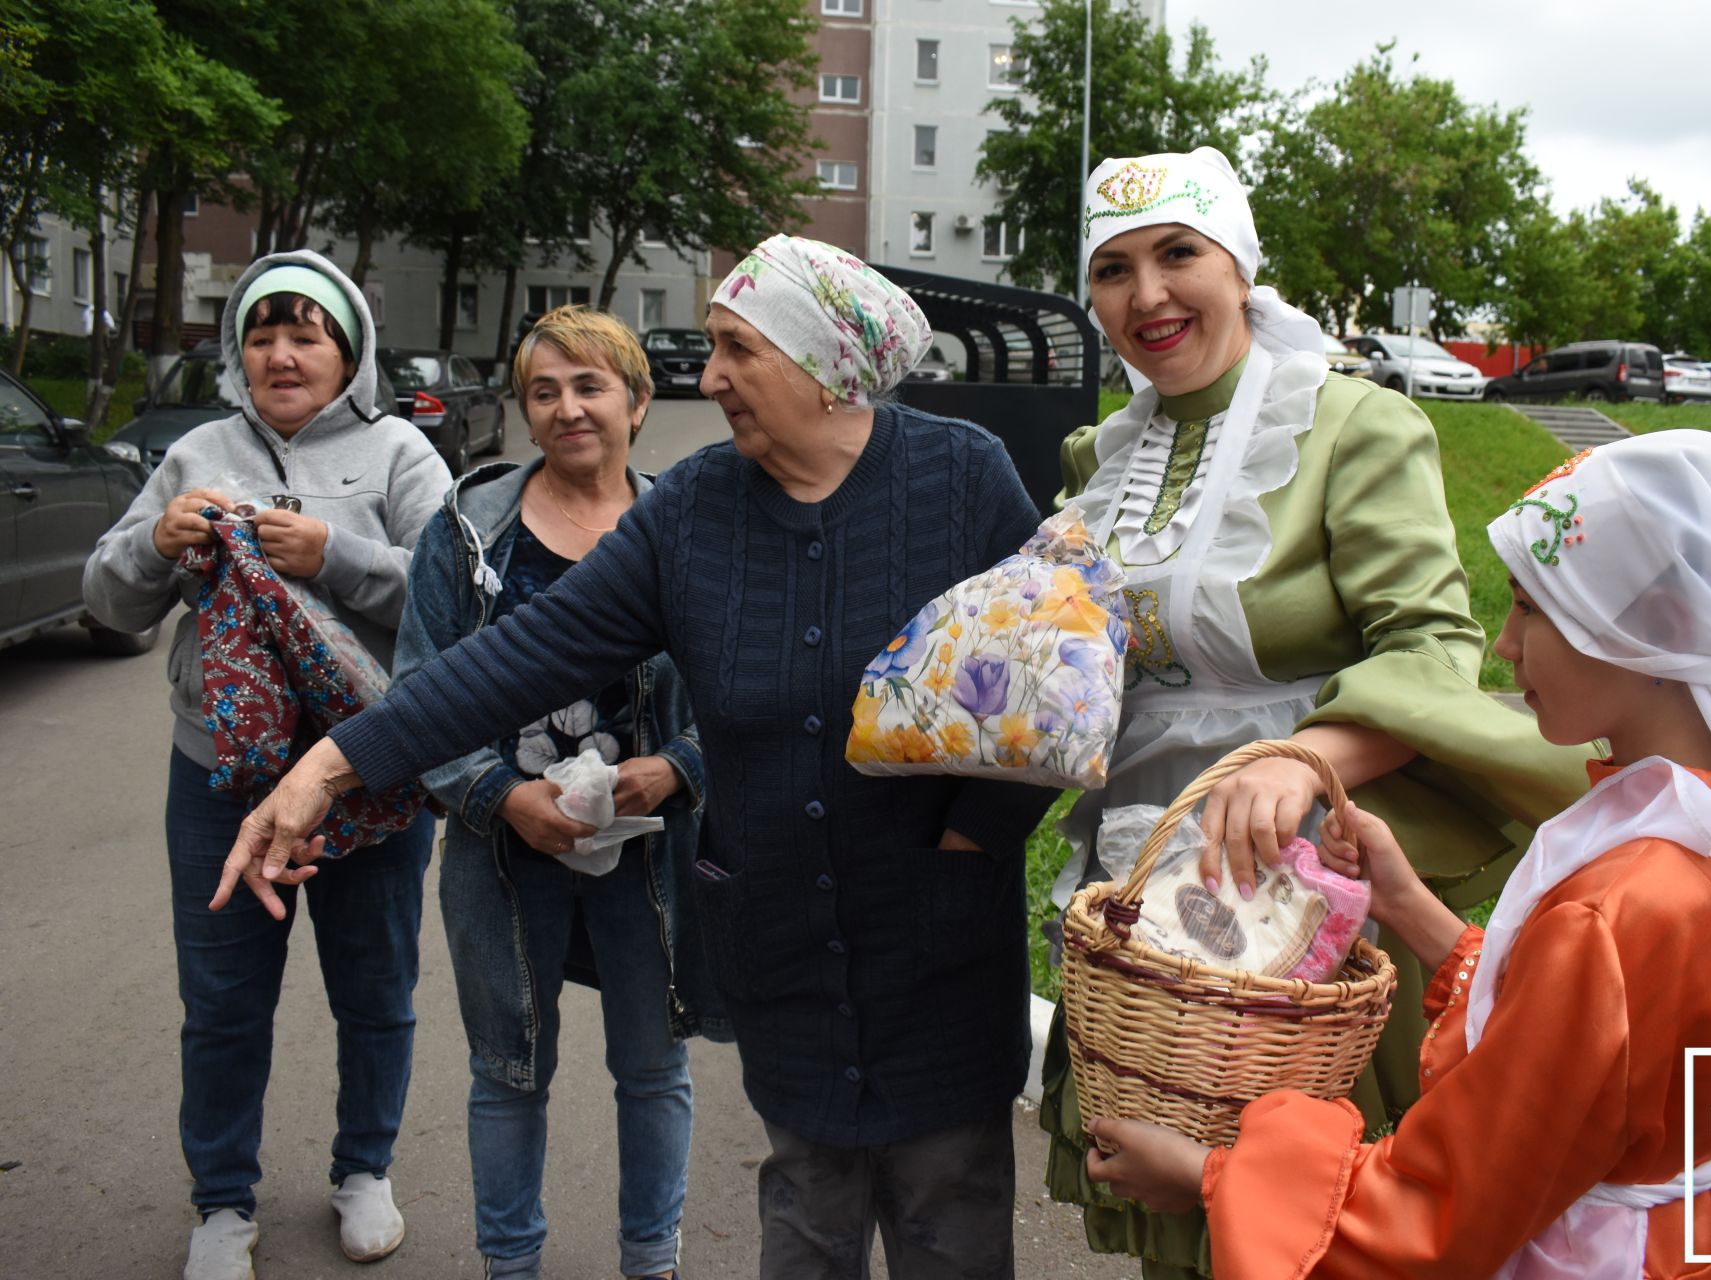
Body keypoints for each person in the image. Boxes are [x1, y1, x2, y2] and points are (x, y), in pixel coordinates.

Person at [215, 235, 1060, 1279]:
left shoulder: (960, 477)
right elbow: (516, 656)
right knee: (805, 1221)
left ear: (823, 359)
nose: (709, 379)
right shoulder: (694, 510)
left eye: (736, 350)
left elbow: (1057, 681)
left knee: (951, 1226)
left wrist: (974, 838)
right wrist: (327, 768)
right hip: (787, 953)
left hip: (940, 952)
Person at [1077, 430, 1711, 1278]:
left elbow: (1443, 1207)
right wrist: (1405, 902)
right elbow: (1604, 1044)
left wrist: (1213, 1175)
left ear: (1644, 628)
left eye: (1530, 606)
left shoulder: (1628, 901)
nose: (1507, 644)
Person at [1037, 145, 1596, 1276]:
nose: (1146, 295)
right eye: (1112, 268)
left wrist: (1301, 756)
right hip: (1150, 881)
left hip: (1319, 890)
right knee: (1177, 1200)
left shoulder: (1351, 425)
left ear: (1238, 264)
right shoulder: (1097, 459)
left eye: (1178, 253)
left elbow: (1433, 644)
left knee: (1312, 1219)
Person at [81, 250, 450, 1280]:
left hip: (367, 771)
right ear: (238, 348)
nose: (283, 354)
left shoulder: (401, 456)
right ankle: (221, 1202)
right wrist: (156, 539)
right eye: (263, 333)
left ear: (347, 349)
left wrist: (331, 553)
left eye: (308, 333)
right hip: (220, 778)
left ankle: (364, 1169)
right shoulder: (195, 452)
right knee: (223, 999)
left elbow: (456, 598)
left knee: (376, 988)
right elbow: (108, 602)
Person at [392, 305, 722, 1279]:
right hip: (503, 854)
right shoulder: (466, 531)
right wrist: (496, 792)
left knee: (653, 1070)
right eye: (545, 390)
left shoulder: (690, 528)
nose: (569, 407)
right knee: (507, 1072)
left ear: (638, 398)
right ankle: (511, 1264)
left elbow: (744, 688)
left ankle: (649, 1261)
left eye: (590, 385)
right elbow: (418, 692)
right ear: (525, 410)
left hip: (648, 857)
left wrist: (679, 767)